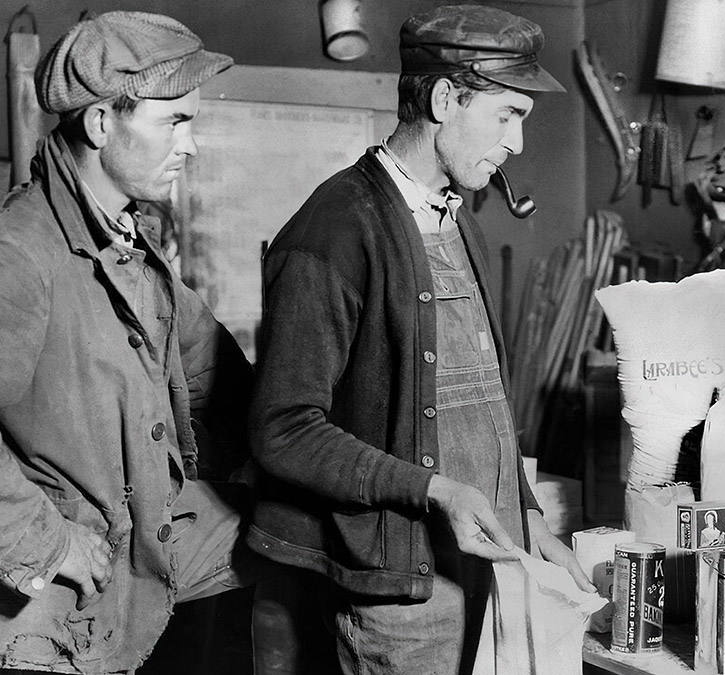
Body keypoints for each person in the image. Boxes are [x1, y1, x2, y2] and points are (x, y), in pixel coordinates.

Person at [248, 5, 593, 673]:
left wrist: (527, 516)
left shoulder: (456, 221)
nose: (519, 143)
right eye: (508, 115)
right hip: (401, 594)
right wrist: (436, 491)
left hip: (482, 569)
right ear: (442, 99)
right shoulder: (333, 231)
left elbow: (479, 403)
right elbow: (282, 429)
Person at [0, 12, 268, 673]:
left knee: (303, 534)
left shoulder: (126, 243)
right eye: (174, 122)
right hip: (31, 627)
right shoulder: (17, 253)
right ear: (100, 124)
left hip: (128, 552)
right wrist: (45, 542)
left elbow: (215, 374)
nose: (190, 145)